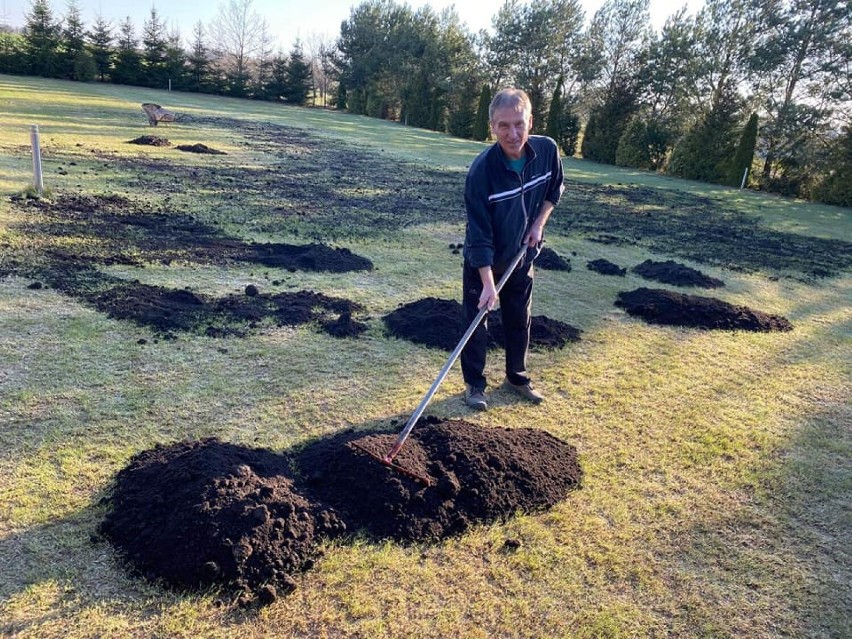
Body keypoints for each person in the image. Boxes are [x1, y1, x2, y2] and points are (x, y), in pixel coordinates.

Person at [460, 88, 564, 411]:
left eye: (519, 123)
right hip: (485, 261)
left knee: (520, 318)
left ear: (530, 121)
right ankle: (475, 385)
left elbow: (555, 189)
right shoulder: (481, 173)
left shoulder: (546, 152)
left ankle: (516, 377)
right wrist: (489, 284)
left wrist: (538, 224)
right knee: (477, 321)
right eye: (503, 125)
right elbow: (479, 235)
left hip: (522, 256)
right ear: (492, 127)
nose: (512, 133)